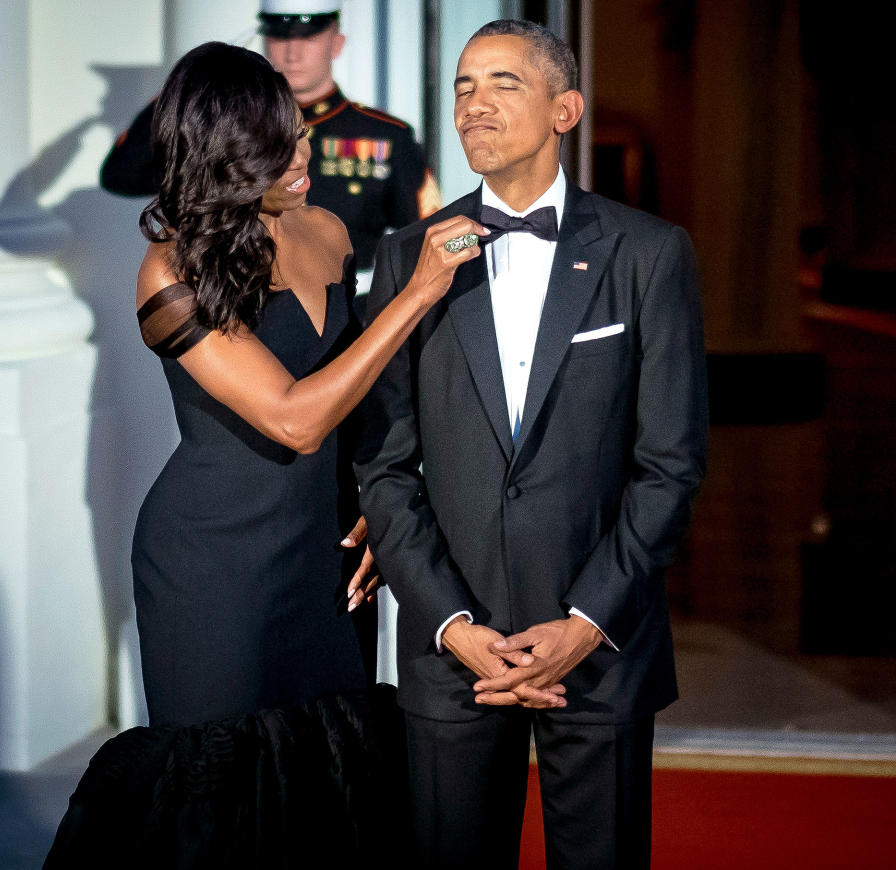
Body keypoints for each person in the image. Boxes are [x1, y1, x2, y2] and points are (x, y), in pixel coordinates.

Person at [44, 42, 485, 868]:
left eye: (304, 133)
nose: (306, 154)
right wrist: (417, 293)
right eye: (283, 142)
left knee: (328, 787)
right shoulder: (167, 269)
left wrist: (373, 513)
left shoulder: (326, 229)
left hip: (323, 558)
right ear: (229, 152)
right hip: (213, 569)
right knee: (220, 807)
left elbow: (356, 409)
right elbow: (295, 420)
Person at [355, 19, 708, 870]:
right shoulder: (409, 255)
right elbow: (382, 463)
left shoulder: (649, 254)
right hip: (454, 651)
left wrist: (586, 621)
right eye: (463, 88)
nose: (474, 105)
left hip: (599, 645)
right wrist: (450, 622)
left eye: (502, 84)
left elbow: (671, 462)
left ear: (565, 109)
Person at [100, 0, 440, 278]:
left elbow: (428, 233)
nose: (292, 53)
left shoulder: (385, 135)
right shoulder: (225, 130)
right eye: (280, 37)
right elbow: (122, 176)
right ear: (263, 41)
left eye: (308, 37)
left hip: (354, 312)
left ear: (337, 42)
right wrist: (186, 88)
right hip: (245, 305)